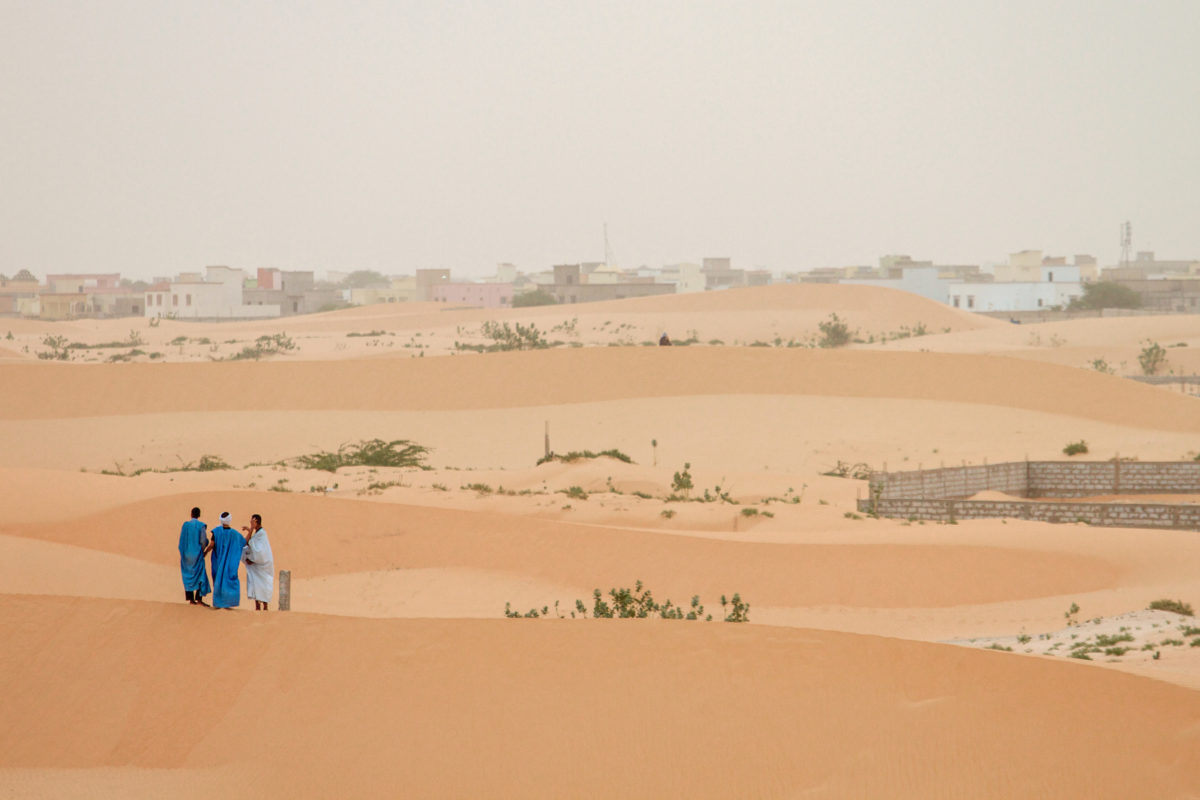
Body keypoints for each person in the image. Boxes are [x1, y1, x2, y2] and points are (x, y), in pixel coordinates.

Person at [207, 512, 246, 609]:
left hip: (217, 562)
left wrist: (205, 552)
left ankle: (219, 603)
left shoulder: (216, 531)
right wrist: (251, 530)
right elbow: (244, 542)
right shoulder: (235, 534)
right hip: (229, 564)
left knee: (218, 581)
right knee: (227, 581)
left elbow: (211, 545)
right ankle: (227, 603)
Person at [178, 507, 210, 606]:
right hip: (197, 555)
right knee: (200, 575)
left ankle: (191, 600)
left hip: (186, 555)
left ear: (191, 514)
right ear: (199, 515)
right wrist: (202, 550)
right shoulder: (201, 526)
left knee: (187, 575)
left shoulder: (186, 525)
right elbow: (203, 541)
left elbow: (181, 541)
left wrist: (183, 553)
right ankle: (199, 599)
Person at [241, 514, 274, 611]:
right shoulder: (257, 534)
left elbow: (261, 552)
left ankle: (265, 606)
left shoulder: (262, 534)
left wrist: (252, 559)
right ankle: (257, 607)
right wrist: (250, 530)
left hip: (263, 565)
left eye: (252, 522)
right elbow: (247, 543)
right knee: (255, 583)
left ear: (256, 522)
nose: (251, 523)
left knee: (264, 585)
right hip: (257, 565)